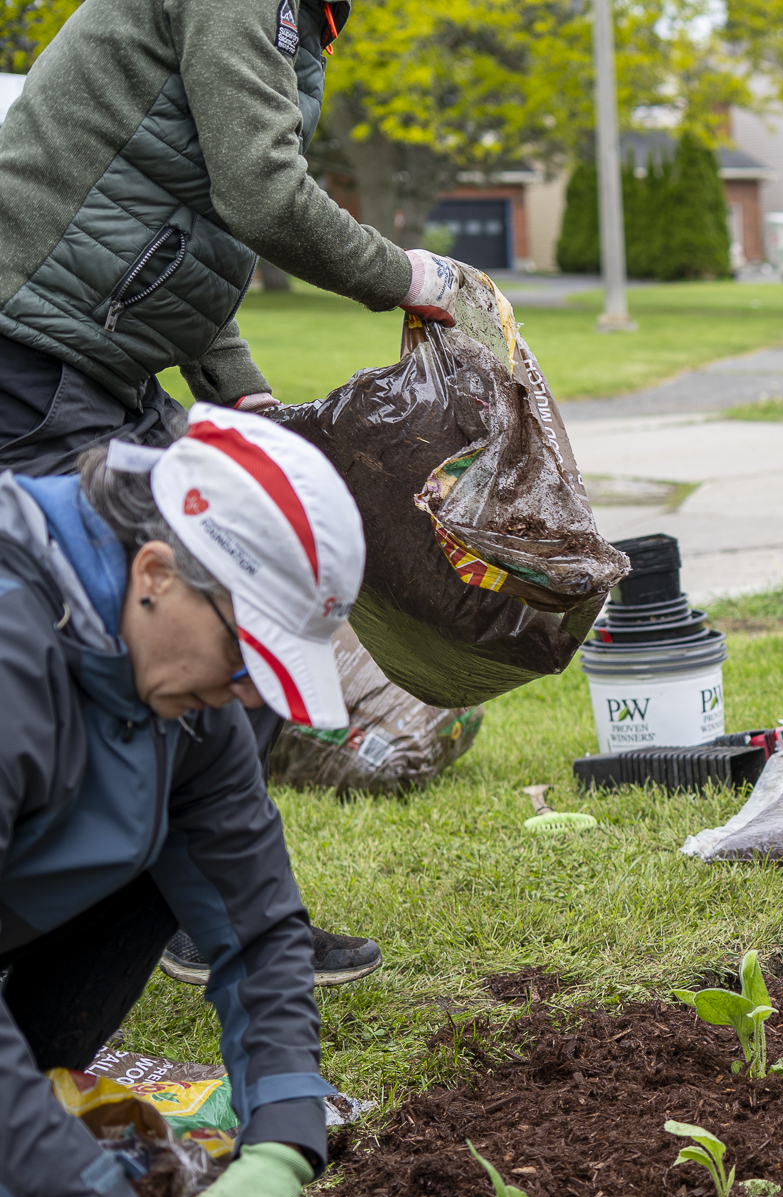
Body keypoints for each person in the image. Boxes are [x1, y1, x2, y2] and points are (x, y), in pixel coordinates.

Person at [0, 0, 473, 984]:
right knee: (185, 622)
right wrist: (411, 276)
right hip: (35, 346)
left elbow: (185, 217)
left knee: (252, 609)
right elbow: (260, 195)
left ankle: (217, 913)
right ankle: (163, 924)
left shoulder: (297, 17)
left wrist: (237, 388)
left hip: (97, 352)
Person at [0, 407, 364, 1197]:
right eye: (244, 658)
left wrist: (280, 1148)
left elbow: (259, 925)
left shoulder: (180, 691)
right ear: (157, 569)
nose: (245, 697)